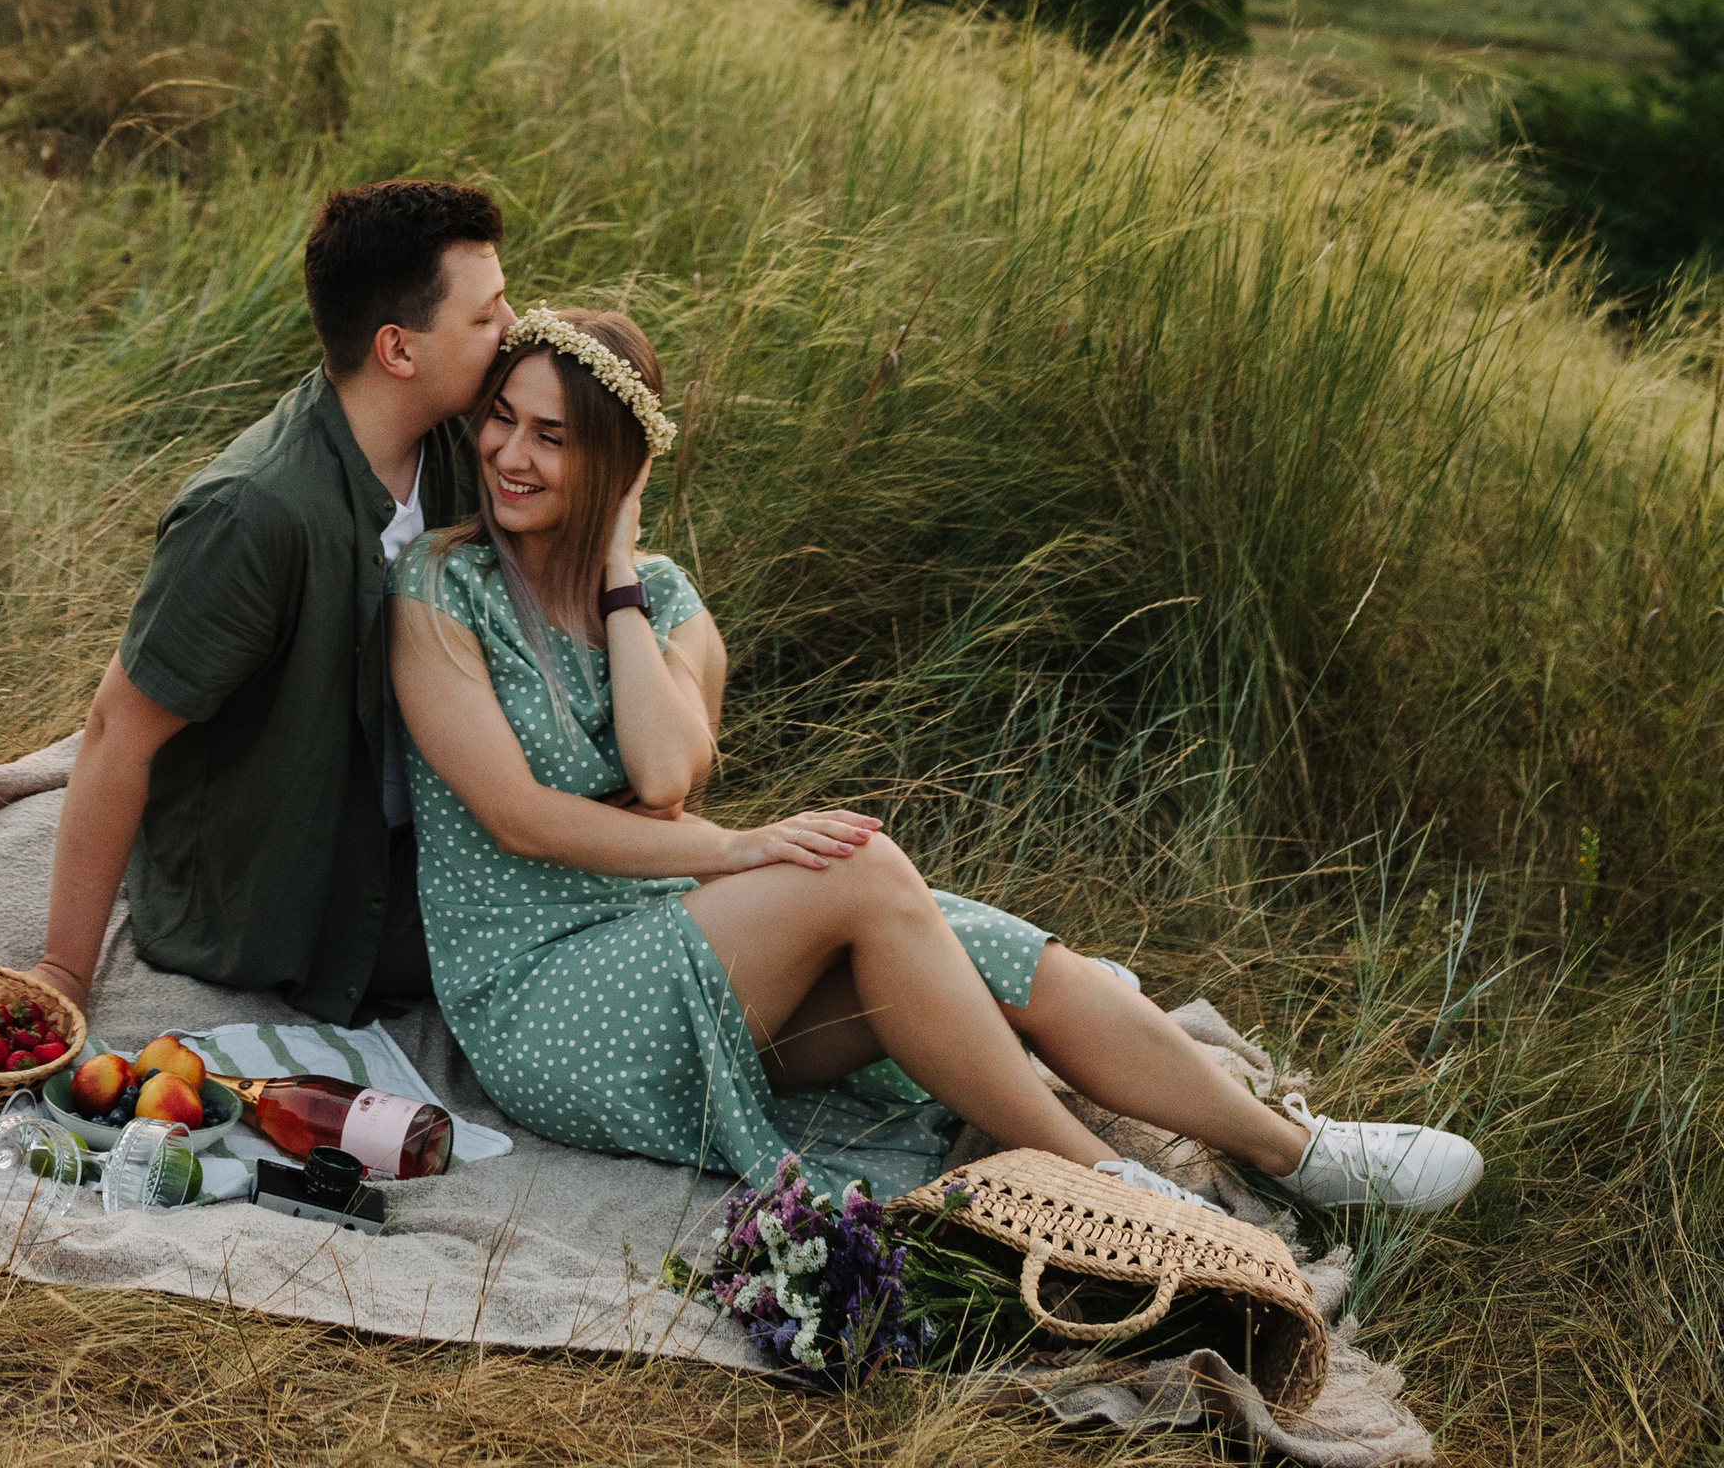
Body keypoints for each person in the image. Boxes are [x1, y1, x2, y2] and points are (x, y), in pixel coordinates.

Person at [389, 306, 1484, 1215]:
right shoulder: (441, 588)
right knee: (862, 871)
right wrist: (737, 850)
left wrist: (619, 573)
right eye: (502, 420)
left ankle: (1299, 1154)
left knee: (963, 941)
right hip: (548, 1002)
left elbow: (667, 774)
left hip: (683, 948)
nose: (510, 456)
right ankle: (1106, 1185)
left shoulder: (662, 598)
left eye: (552, 437)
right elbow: (520, 817)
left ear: (617, 466)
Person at [36, 175, 513, 1027]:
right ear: (398, 350)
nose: (513, 329)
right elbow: (116, 731)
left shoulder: (460, 446)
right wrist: (63, 972)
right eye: (485, 317)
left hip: (434, 833)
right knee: (606, 935)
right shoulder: (252, 515)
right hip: (298, 896)